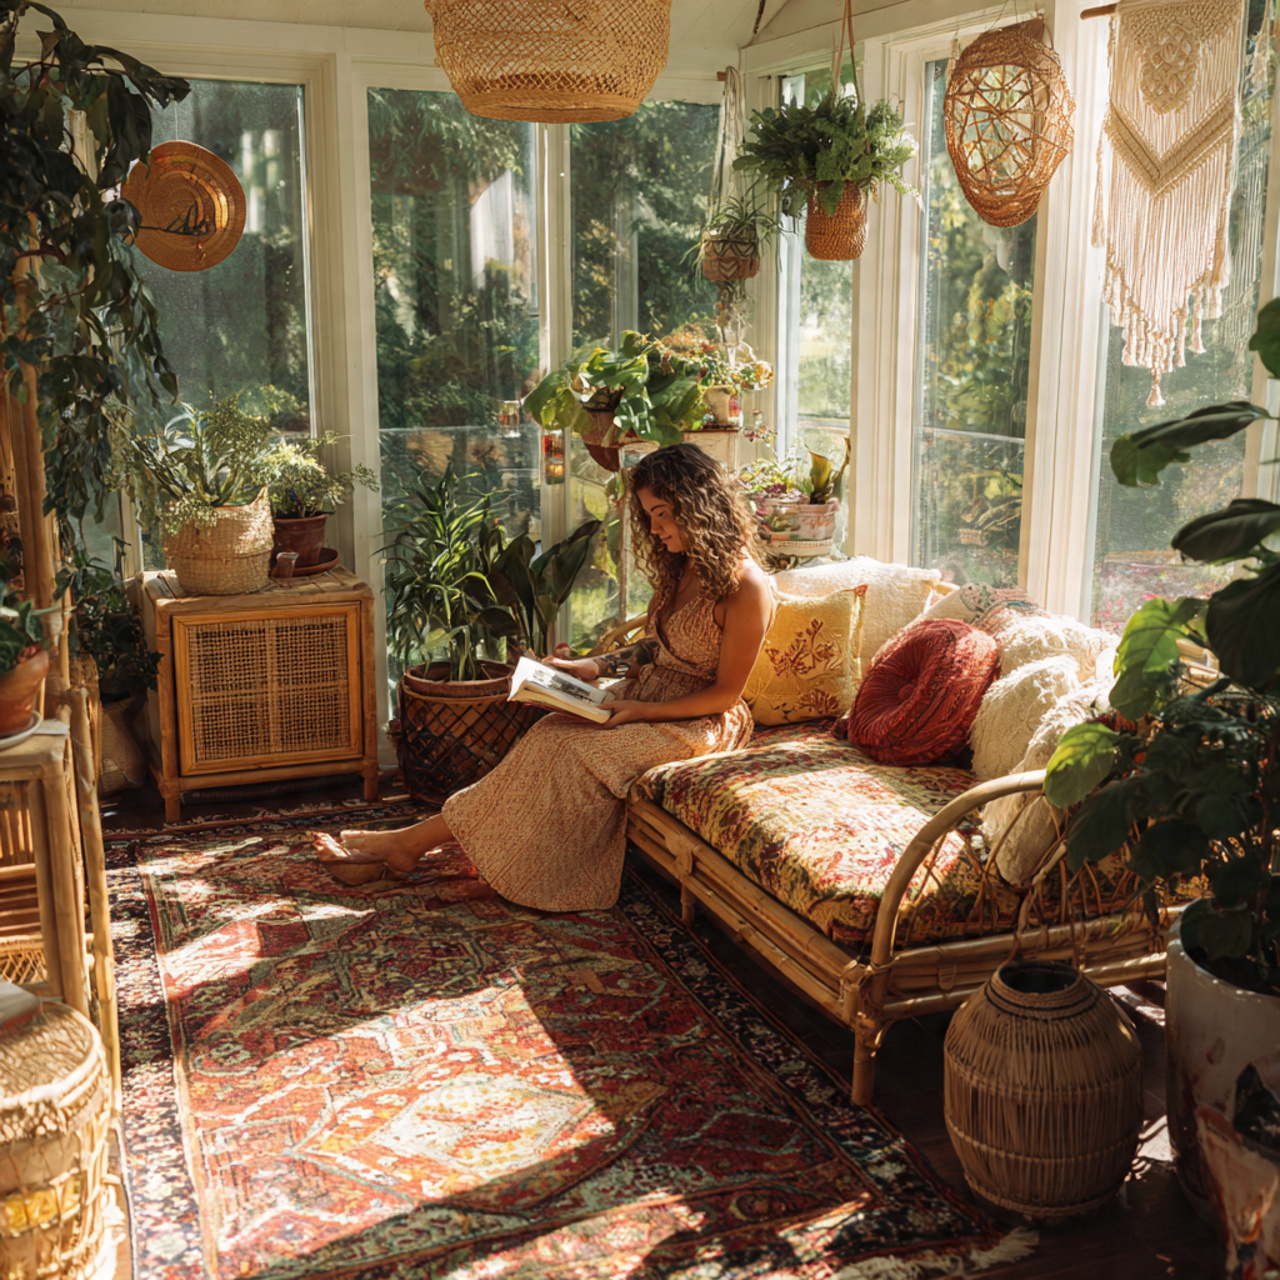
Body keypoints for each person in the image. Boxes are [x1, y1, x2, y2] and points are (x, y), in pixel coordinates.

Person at [314, 442, 773, 911]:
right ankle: (414, 844)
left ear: (698, 507)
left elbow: (724, 693)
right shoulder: (681, 567)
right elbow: (656, 648)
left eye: (661, 514)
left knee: (567, 748)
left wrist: (642, 710)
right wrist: (588, 668)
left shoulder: (746, 588)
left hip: (698, 722)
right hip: (647, 696)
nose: (654, 531)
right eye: (648, 516)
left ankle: (413, 845)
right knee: (548, 730)